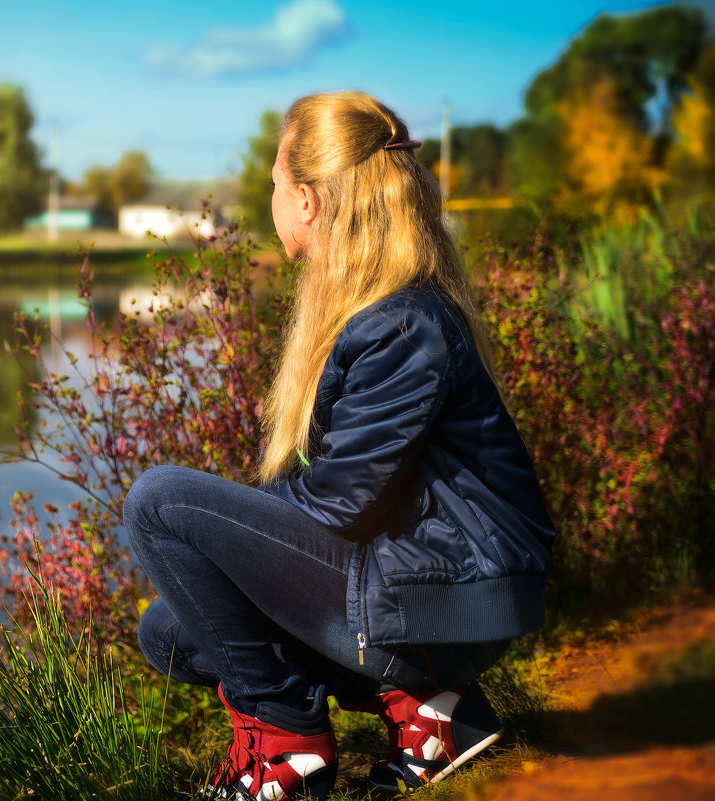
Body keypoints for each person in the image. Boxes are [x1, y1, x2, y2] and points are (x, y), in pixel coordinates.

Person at [123, 91, 555, 801]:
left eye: (273, 183)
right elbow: (349, 493)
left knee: (159, 503)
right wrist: (237, 549)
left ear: (308, 201)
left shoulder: (402, 323)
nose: (269, 196)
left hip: (457, 591)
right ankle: (433, 707)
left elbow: (339, 504)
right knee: (172, 630)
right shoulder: (381, 310)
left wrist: (234, 534)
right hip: (426, 580)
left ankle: (288, 743)